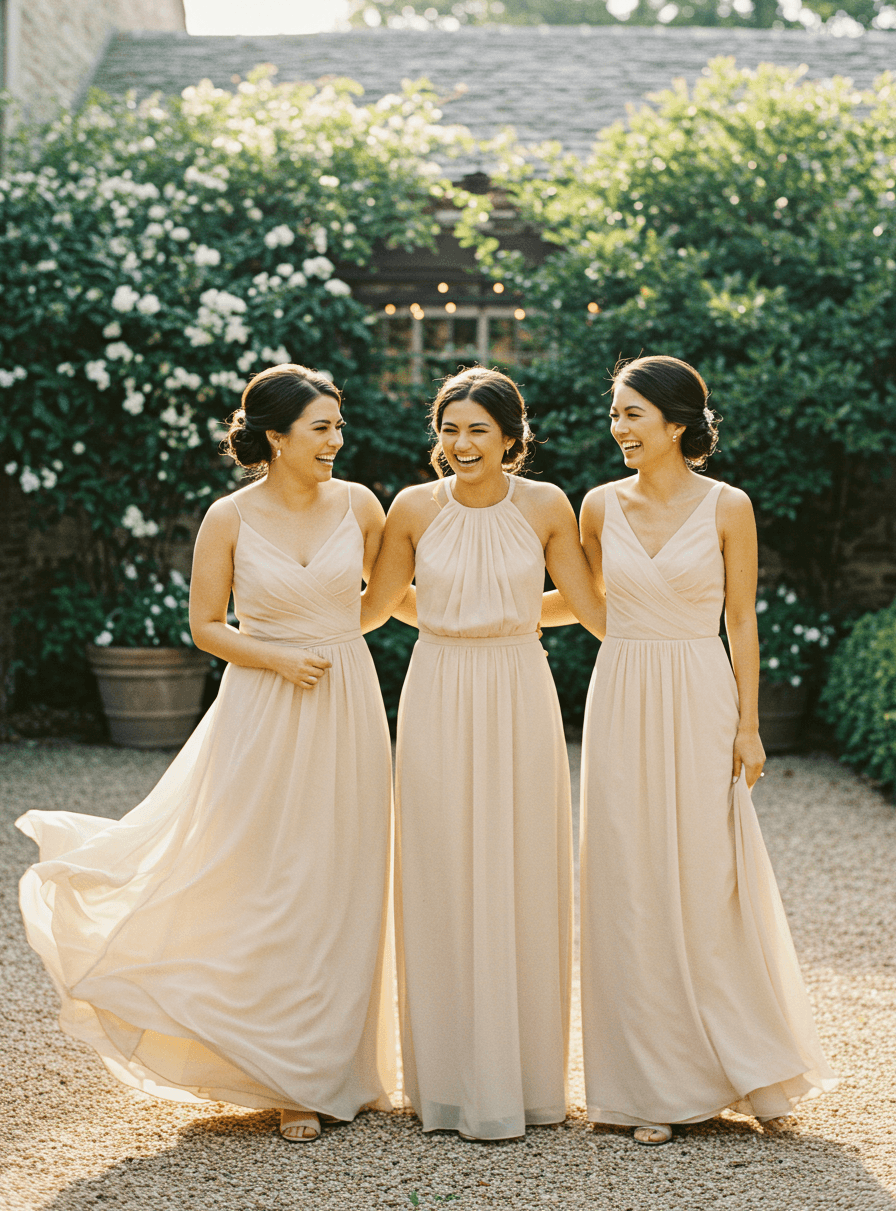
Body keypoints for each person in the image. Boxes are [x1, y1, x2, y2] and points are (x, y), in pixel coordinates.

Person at [17, 363, 405, 1143]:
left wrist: (491, 624)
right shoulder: (228, 517)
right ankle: (289, 1076)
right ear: (276, 436)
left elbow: (388, 600)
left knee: (344, 875)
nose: (338, 439)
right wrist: (278, 658)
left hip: (347, 702)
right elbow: (206, 626)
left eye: (336, 425)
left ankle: (341, 1068)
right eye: (322, 427)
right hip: (263, 706)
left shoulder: (362, 505)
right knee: (270, 876)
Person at [544, 354, 835, 1144]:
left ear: (676, 422)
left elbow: (741, 621)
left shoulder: (728, 505)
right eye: (616, 414)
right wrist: (474, 608)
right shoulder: (597, 506)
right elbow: (583, 604)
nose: (619, 428)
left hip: (701, 690)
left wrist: (748, 724)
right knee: (630, 874)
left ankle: (735, 1061)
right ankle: (650, 1086)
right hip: (623, 689)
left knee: (708, 874)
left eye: (632, 414)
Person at [360, 366, 605, 1141]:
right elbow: (379, 604)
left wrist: (504, 614)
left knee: (522, 862)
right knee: (439, 862)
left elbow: (587, 604)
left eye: (478, 430)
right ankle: (451, 1083)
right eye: (450, 428)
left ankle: (526, 1081)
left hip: (518, 685)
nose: (462, 444)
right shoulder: (410, 508)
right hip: (436, 684)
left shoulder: (545, 505)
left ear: (509, 438)